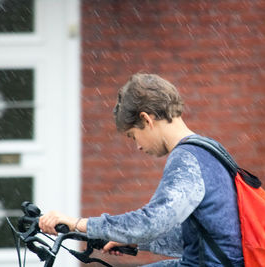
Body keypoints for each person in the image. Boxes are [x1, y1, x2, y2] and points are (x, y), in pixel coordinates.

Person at [39, 73, 244, 266]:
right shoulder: (209, 150)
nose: (137, 146)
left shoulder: (186, 158)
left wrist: (77, 223)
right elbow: (204, 239)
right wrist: (136, 242)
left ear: (147, 119)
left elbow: (151, 222)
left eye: (133, 135)